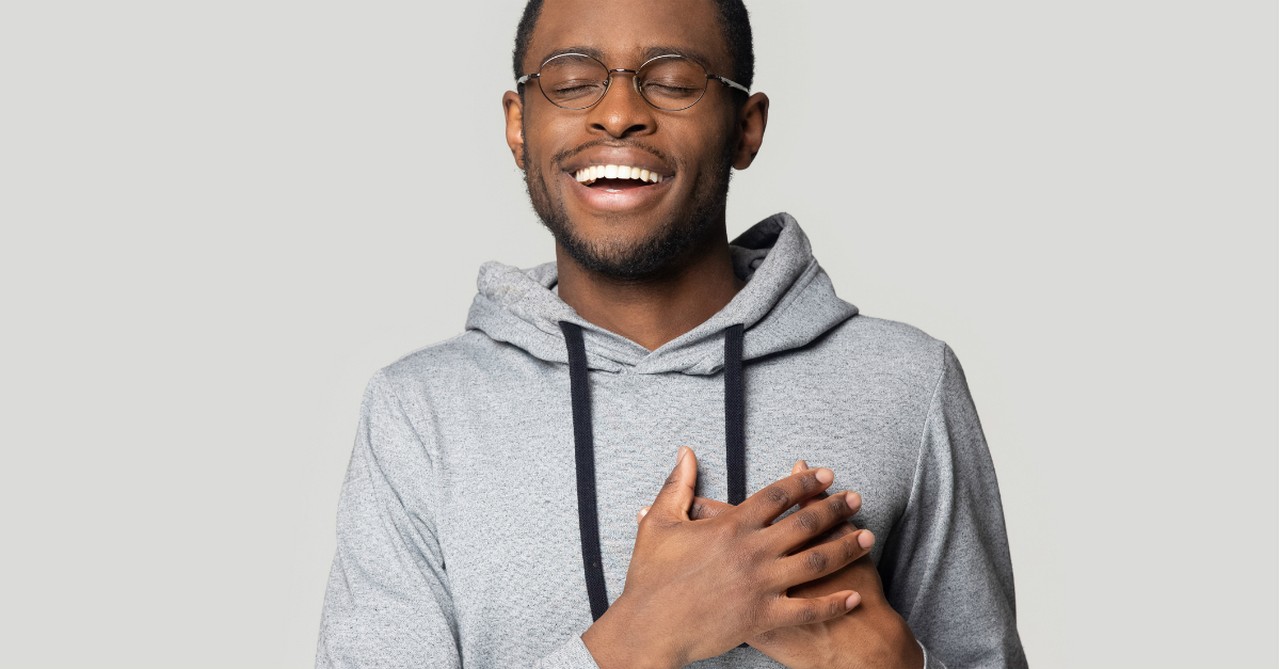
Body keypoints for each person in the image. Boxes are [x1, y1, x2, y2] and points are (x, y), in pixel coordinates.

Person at [315, 0, 1028, 667]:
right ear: (517, 125)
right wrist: (641, 633)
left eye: (674, 82)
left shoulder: (905, 381)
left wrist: (899, 665)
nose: (619, 113)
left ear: (745, 126)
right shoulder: (420, 414)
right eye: (571, 81)